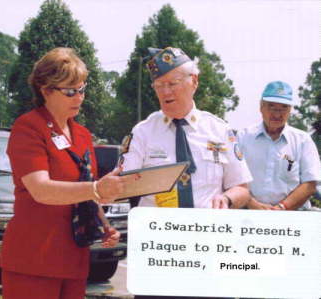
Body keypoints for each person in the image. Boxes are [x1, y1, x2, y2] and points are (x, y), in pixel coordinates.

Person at [0, 47, 136, 299]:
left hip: (74, 258)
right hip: (34, 259)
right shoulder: (28, 127)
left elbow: (85, 191)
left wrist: (105, 226)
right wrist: (96, 188)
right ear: (45, 90)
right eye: (70, 91)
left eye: (82, 89)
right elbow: (41, 189)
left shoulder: (83, 135)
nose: (79, 97)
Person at [121, 46, 253, 299]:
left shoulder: (220, 130)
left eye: (173, 83)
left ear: (194, 82)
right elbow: (123, 185)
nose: (166, 92)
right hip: (159, 253)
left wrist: (226, 199)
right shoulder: (142, 132)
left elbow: (242, 189)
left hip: (210, 251)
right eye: (159, 86)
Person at [238, 81, 321, 210]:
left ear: (290, 110)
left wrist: (282, 208)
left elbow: (310, 184)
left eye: (283, 107)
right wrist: (251, 204)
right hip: (248, 213)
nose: (277, 114)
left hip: (292, 216)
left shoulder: (303, 140)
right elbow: (232, 179)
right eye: (271, 106)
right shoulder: (243, 137)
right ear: (261, 107)